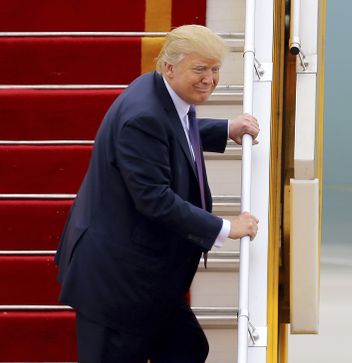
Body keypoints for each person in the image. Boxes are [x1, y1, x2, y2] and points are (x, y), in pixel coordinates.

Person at [54, 24, 260, 363]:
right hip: (117, 281)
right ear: (169, 67)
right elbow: (154, 200)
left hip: (147, 274)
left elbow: (176, 131)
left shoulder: (161, 92)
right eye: (200, 69)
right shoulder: (143, 117)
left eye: (215, 69)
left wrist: (224, 129)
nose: (210, 79)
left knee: (187, 348)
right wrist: (224, 227)